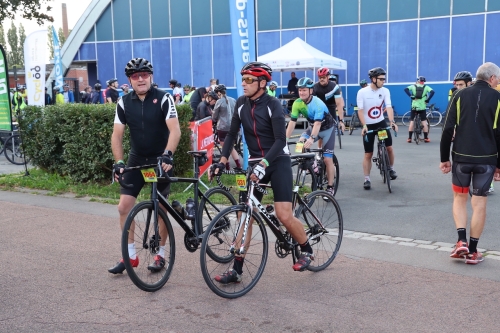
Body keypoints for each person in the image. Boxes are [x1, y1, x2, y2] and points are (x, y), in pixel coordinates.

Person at [208, 62, 314, 284]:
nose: (244, 84)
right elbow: (230, 135)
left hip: (277, 159)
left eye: (249, 80)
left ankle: (306, 249)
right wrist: (222, 160)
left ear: (262, 83)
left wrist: (264, 163)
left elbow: (280, 139)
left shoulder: (272, 104)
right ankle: (237, 269)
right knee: (244, 213)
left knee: (283, 214)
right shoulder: (240, 104)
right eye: (242, 79)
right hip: (256, 162)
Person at [109, 57, 181, 274]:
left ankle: (160, 254)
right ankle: (130, 256)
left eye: (144, 75)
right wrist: (119, 162)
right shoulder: (124, 102)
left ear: (151, 77)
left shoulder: (164, 98)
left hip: (160, 159)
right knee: (123, 207)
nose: (140, 79)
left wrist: (168, 155)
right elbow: (117, 135)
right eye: (135, 76)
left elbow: (175, 130)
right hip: (137, 159)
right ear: (130, 80)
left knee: (160, 209)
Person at [440, 62, 500, 265]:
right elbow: (499, 133)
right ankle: (473, 251)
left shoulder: (459, 95)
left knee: (459, 197)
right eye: (498, 78)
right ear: (491, 78)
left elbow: (447, 128)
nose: (498, 81)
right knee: (480, 202)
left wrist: (444, 158)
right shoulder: (498, 98)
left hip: (461, 157)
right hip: (487, 159)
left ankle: (461, 241)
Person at [286, 77, 337, 196]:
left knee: (327, 159)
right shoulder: (297, 103)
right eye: (300, 90)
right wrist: (285, 139)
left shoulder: (318, 103)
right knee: (301, 142)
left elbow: (318, 123)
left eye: (304, 90)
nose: (301, 93)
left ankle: (330, 186)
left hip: (327, 129)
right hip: (313, 127)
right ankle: (313, 163)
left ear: (311, 91)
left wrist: (312, 138)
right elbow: (292, 122)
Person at [357, 67, 398, 190]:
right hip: (368, 125)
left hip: (380, 123)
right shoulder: (362, 92)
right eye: (381, 79)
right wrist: (364, 126)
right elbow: (360, 111)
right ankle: (367, 178)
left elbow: (389, 107)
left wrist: (391, 122)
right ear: (373, 79)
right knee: (368, 154)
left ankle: (391, 169)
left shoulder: (385, 91)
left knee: (389, 148)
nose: (383, 81)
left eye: (384, 79)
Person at [212, 84, 241, 170]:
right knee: (231, 147)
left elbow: (214, 116)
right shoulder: (233, 100)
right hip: (233, 127)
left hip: (222, 127)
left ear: (219, 93)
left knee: (225, 148)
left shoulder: (219, 101)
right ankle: (238, 165)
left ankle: (227, 167)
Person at [313, 67, 346, 134]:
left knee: (331, 133)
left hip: (331, 109)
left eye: (324, 77)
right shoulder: (315, 87)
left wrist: (341, 120)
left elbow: (339, 104)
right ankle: (320, 145)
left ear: (328, 77)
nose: (322, 79)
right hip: (320, 109)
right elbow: (313, 103)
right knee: (320, 132)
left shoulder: (334, 87)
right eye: (320, 77)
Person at [404, 76, 434, 143]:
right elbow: (433, 92)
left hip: (414, 107)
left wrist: (411, 96)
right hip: (422, 107)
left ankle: (409, 138)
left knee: (412, 121)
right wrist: (427, 100)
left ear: (417, 81)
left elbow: (405, 89)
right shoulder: (426, 87)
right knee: (424, 121)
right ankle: (426, 138)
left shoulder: (413, 86)